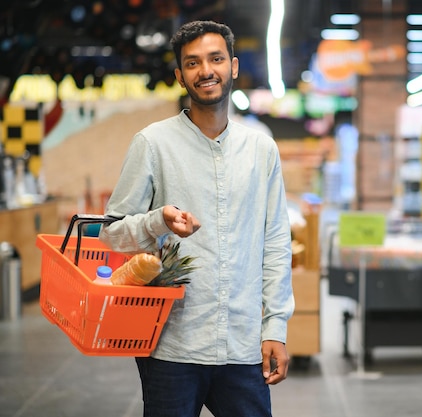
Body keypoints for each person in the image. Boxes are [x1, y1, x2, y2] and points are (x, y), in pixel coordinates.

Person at [99, 20, 294, 417]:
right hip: (172, 345)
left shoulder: (261, 149)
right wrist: (157, 221)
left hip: (242, 346)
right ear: (180, 76)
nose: (206, 70)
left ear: (233, 67)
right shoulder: (152, 143)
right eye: (193, 63)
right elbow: (111, 233)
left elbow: (275, 241)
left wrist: (275, 327)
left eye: (216, 59)